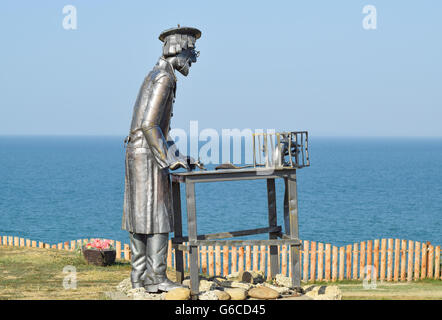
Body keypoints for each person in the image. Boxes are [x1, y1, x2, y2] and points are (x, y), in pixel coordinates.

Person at [122, 26, 201, 293]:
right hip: (148, 154)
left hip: (139, 152)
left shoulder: (156, 74)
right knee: (158, 215)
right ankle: (155, 277)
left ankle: (139, 277)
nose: (193, 59)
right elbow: (149, 124)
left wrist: (177, 155)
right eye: (191, 52)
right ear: (178, 49)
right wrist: (168, 160)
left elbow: (155, 128)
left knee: (141, 216)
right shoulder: (164, 78)